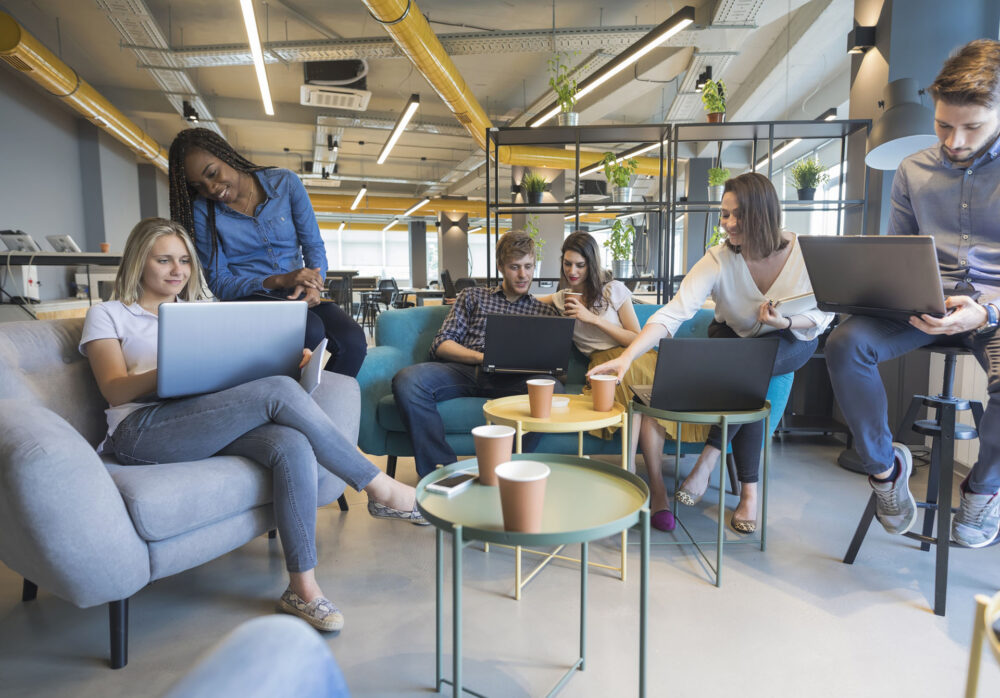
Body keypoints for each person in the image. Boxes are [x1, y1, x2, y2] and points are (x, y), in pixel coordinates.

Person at [80, 218, 425, 633]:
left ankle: (303, 588)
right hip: (141, 430)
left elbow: (228, 377)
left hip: (203, 418)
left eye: (185, 260)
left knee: (290, 443)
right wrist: (177, 363)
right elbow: (116, 390)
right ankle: (379, 487)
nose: (177, 270)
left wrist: (279, 361)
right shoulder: (109, 314)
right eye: (164, 260)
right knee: (277, 391)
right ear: (139, 262)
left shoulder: (201, 313)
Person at [826, 39, 1000, 548]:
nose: (955, 140)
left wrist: (984, 308)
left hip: (993, 309)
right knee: (845, 343)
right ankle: (885, 471)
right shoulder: (913, 170)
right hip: (923, 304)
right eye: (944, 125)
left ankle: (983, 489)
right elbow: (897, 254)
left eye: (972, 127)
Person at [589, 173, 832, 533]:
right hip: (733, 338)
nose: (729, 224)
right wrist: (629, 356)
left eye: (738, 215)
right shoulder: (719, 258)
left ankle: (708, 461)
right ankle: (748, 494)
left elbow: (824, 312)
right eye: (724, 214)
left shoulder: (806, 254)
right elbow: (675, 311)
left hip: (792, 338)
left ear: (762, 215)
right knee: (748, 378)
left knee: (750, 370)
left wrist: (786, 322)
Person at [167, 128, 367, 378]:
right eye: (199, 185)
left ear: (226, 155)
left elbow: (313, 245)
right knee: (310, 330)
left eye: (212, 173)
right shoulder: (203, 211)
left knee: (353, 341)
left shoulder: (285, 183)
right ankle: (290, 409)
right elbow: (219, 282)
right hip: (251, 299)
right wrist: (281, 279)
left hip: (297, 295)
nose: (212, 188)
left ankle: (320, 408)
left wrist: (314, 285)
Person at [392, 231, 562, 477]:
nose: (523, 275)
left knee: (553, 389)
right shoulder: (472, 296)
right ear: (501, 267)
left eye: (528, 266)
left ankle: (504, 467)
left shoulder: (544, 312)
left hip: (514, 380)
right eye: (515, 267)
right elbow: (441, 344)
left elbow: (556, 371)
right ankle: (443, 472)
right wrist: (483, 358)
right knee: (408, 380)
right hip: (465, 370)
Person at [538, 232, 710, 446]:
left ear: (591, 264)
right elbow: (525, 299)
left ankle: (642, 475)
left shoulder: (612, 290)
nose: (572, 271)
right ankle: (635, 472)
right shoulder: (562, 298)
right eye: (568, 264)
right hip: (602, 363)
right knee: (637, 405)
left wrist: (594, 319)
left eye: (580, 265)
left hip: (635, 356)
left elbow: (636, 338)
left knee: (647, 407)